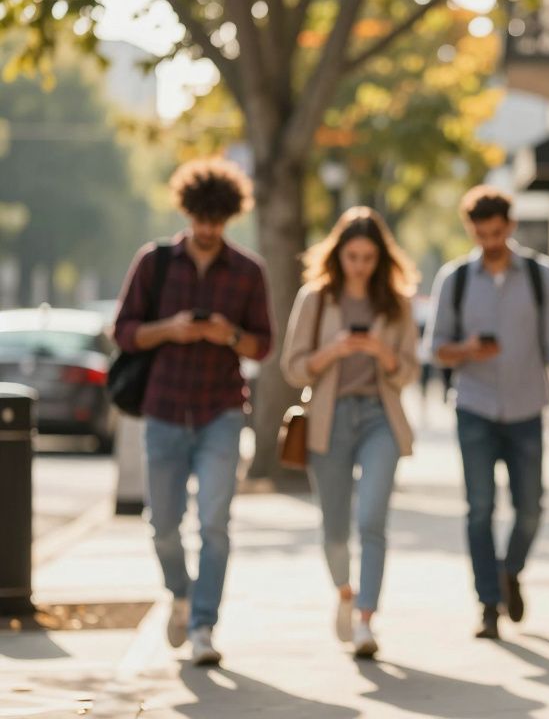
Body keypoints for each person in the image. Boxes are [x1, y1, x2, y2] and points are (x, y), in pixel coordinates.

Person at [112, 157, 273, 666]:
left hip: (221, 412)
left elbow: (263, 346)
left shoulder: (248, 272)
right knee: (162, 524)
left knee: (214, 523)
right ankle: (179, 593)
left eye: (216, 220)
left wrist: (226, 333)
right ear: (187, 212)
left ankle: (204, 625)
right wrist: (171, 329)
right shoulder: (154, 262)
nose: (207, 229)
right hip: (162, 409)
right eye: (200, 218)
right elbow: (123, 331)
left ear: (228, 216)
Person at [423, 186, 549, 640]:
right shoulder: (454, 279)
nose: (490, 241)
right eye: (480, 233)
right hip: (474, 408)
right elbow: (435, 350)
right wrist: (467, 349)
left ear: (510, 226)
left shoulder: (540, 276)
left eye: (497, 232)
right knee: (479, 509)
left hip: (528, 408)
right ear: (470, 230)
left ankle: (511, 570)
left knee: (530, 508)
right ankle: (488, 605)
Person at [281, 206, 420, 658]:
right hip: (330, 419)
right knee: (336, 529)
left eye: (368, 257)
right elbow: (293, 368)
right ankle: (345, 591)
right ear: (338, 253)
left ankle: (365, 619)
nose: (359, 265)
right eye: (352, 256)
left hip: (380, 418)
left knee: (372, 521)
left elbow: (409, 371)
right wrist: (333, 352)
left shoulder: (396, 303)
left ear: (381, 258)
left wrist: (382, 353)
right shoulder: (315, 298)